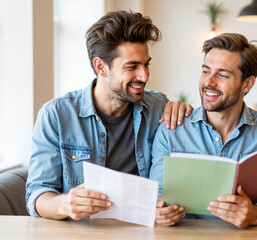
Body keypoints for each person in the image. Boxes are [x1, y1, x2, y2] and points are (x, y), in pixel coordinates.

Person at [26, 10, 192, 220]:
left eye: (146, 64)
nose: (145, 75)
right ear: (101, 67)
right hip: (82, 233)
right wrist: (65, 204)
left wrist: (186, 113)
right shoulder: (56, 115)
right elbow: (37, 195)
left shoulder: (160, 108)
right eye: (132, 67)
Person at [149, 33, 257, 228]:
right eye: (206, 71)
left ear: (247, 84)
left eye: (223, 75)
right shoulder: (172, 130)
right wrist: (158, 211)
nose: (209, 82)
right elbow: (157, 193)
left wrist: (256, 214)